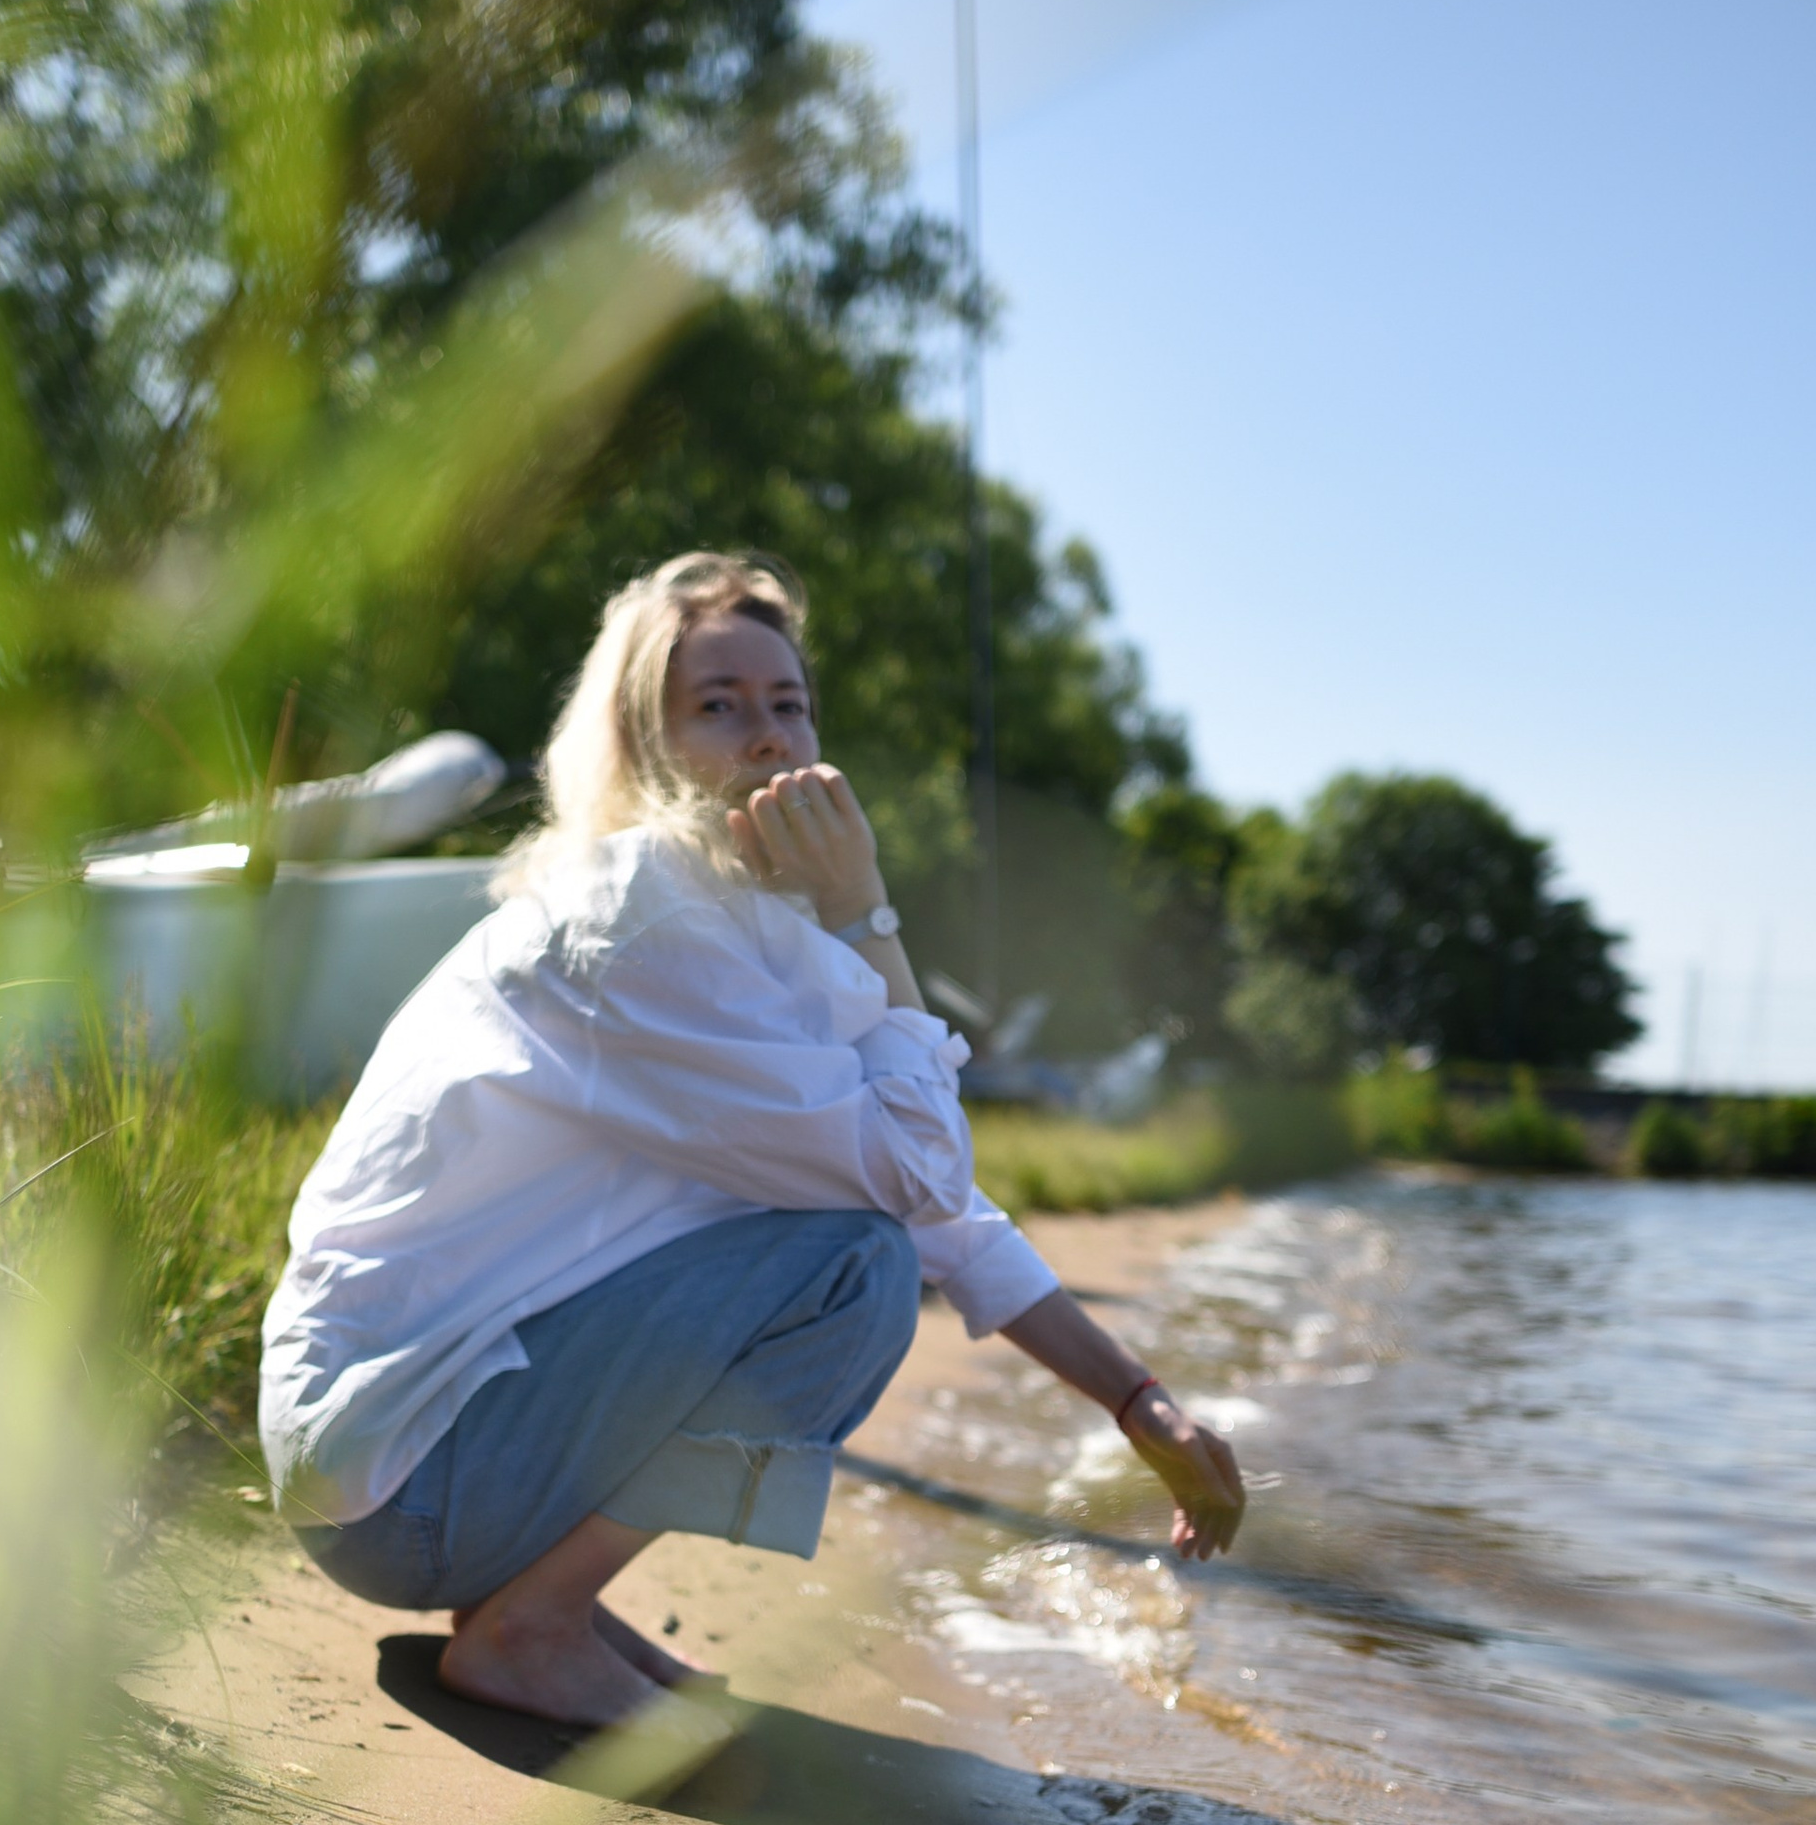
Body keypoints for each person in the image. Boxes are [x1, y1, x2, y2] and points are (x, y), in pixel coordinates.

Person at [260, 551, 1246, 1730]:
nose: (769, 739)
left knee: (850, 1234)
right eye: (716, 707)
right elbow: (911, 1178)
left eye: (788, 704)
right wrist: (867, 915)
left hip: (411, 1457)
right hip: (397, 1486)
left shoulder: (734, 926)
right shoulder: (641, 920)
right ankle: (532, 1625)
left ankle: (526, 1598)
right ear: (642, 742)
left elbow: (937, 1202)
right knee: (853, 1268)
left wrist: (1138, 1403)